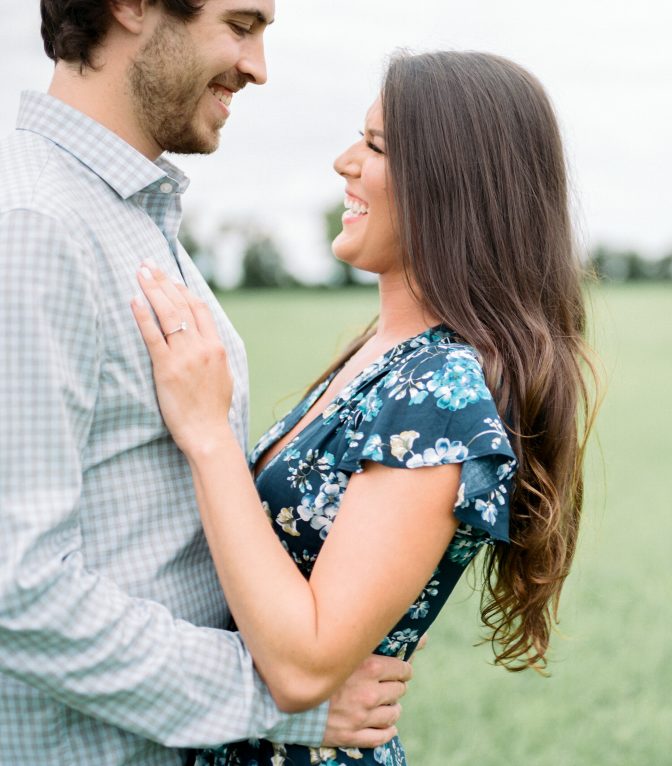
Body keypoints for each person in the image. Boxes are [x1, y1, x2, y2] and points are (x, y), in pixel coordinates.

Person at [130, 50, 598, 766]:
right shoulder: (382, 354)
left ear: (450, 185)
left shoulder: (439, 393)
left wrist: (208, 434)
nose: (345, 163)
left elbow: (304, 666)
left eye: (376, 146)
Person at [0, 2, 412, 765]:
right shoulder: (34, 224)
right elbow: (16, 590)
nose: (258, 66)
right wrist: (278, 695)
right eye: (241, 24)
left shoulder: (128, 217)